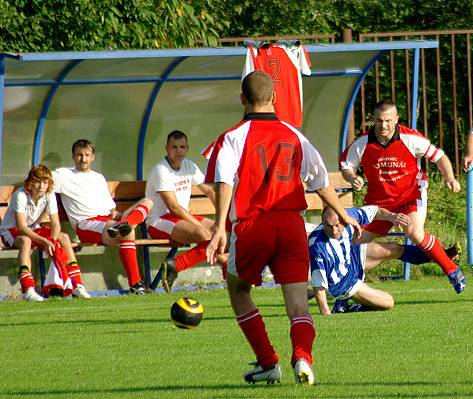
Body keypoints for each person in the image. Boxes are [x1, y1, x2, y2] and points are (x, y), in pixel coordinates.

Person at [205, 70, 362, 386]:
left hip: (253, 225)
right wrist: (344, 214)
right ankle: (302, 357)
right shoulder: (295, 135)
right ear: (274, 98)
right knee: (297, 304)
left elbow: (222, 182)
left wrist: (220, 226)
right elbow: (319, 180)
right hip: (291, 225)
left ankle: (268, 362)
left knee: (238, 290)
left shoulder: (232, 136)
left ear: (242, 99)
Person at [340, 100, 467, 294]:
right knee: (354, 242)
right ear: (372, 120)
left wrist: (449, 177)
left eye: (388, 121)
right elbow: (346, 165)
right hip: (378, 204)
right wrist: (352, 177)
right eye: (379, 120)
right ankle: (344, 293)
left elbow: (439, 156)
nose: (383, 125)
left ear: (396, 119)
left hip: (410, 195)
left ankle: (452, 271)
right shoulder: (363, 143)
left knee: (414, 232)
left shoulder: (410, 138)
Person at [309, 205, 461, 315]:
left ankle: (440, 256)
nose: (334, 231)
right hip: (343, 282)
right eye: (328, 226)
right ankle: (346, 308)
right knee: (388, 302)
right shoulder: (317, 246)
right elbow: (318, 285)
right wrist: (326, 314)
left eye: (337, 225)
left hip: (352, 255)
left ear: (344, 218)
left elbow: (375, 211)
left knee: (394, 249)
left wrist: (392, 217)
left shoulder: (348, 214)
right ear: (323, 222)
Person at [52, 139, 152, 295]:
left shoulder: (98, 177)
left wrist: (116, 215)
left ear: (93, 157)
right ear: (73, 156)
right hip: (87, 224)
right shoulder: (63, 175)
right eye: (79, 155)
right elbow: (40, 181)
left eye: (87, 155)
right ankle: (135, 284)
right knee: (128, 232)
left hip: (108, 221)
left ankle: (126, 224)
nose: (83, 159)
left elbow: (110, 207)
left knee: (148, 201)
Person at [145, 130, 227, 293]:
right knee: (204, 234)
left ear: (187, 148)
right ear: (166, 148)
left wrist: (221, 220)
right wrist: (199, 225)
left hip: (181, 218)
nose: (178, 151)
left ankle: (174, 266)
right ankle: (230, 270)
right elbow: (174, 207)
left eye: (182, 147)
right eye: (174, 147)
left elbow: (210, 191)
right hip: (159, 221)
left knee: (225, 233)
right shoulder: (161, 169)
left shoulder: (189, 166)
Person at [0, 165, 90, 301]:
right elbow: (22, 228)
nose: (41, 186)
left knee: (64, 237)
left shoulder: (49, 194)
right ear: (30, 183)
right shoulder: (20, 195)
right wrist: (45, 242)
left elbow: (55, 224)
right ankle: (27, 289)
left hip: (34, 228)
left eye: (45, 182)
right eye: (38, 182)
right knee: (26, 241)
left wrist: (52, 241)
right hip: (11, 230)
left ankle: (77, 285)